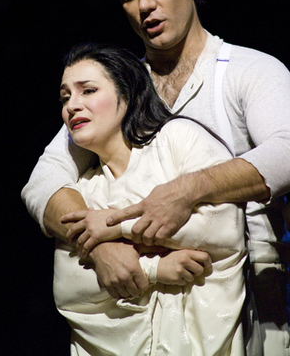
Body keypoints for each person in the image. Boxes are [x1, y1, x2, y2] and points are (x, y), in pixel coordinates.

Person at [22, 0, 290, 355]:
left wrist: (185, 191)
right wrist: (98, 243)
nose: (145, 5)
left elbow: (287, 151)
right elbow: (43, 183)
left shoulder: (247, 71)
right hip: (137, 306)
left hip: (242, 291)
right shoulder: (117, 88)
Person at [54, 41, 246, 355]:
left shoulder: (177, 140)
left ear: (126, 94)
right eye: (65, 97)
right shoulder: (82, 190)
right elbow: (68, 286)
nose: (72, 105)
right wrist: (153, 269)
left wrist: (117, 228)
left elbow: (224, 229)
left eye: (87, 91)